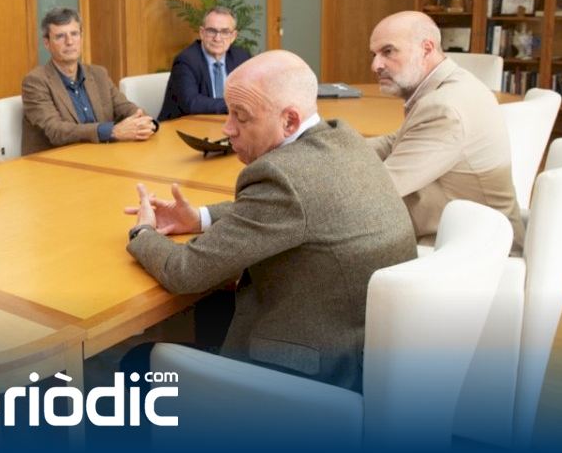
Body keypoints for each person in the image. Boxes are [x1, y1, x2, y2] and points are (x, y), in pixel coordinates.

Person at [124, 50, 416, 391]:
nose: (227, 129)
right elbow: (289, 209)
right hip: (364, 347)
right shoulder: (342, 138)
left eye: (241, 117)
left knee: (136, 364)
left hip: (318, 373)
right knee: (212, 308)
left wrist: (143, 232)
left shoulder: (281, 177)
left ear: (289, 121)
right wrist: (200, 217)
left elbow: (184, 271)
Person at [368, 10, 524, 249]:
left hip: (476, 250)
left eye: (388, 51)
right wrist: (333, 151)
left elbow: (380, 189)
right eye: (374, 54)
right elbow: (396, 142)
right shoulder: (453, 84)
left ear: (426, 49)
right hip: (468, 232)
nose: (375, 65)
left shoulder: (444, 108)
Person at [21, 7, 157, 155]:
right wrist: (112, 131)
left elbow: (124, 107)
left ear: (81, 37)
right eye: (60, 36)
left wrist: (142, 121)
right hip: (55, 160)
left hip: (100, 155)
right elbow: (56, 131)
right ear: (47, 43)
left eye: (74, 34)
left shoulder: (98, 74)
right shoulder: (35, 82)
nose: (69, 42)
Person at [157, 5, 252, 120]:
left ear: (233, 36)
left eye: (225, 32)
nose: (217, 38)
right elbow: (191, 103)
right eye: (212, 31)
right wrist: (234, 106)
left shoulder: (241, 57)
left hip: (224, 124)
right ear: (202, 33)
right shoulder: (186, 60)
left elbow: (252, 94)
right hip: (182, 126)